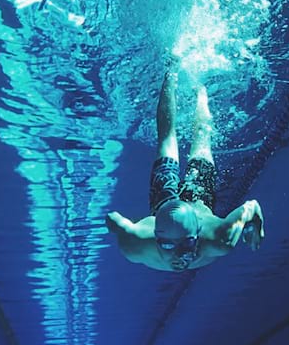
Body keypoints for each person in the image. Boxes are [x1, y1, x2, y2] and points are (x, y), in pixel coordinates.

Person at [106, 70, 265, 272]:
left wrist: (256, 223)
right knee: (192, 138)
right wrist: (255, 224)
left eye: (187, 244)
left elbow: (252, 207)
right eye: (168, 245)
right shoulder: (136, 245)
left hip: (173, 202)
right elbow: (114, 220)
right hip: (194, 198)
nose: (178, 255)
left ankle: (200, 89)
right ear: (157, 238)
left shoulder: (218, 239)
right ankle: (171, 72)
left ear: (197, 235)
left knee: (174, 138)